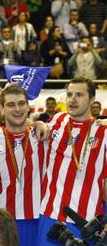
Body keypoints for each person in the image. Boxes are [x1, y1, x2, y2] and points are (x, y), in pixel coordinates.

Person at [37, 77, 107, 245]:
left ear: (92, 99)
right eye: (69, 94)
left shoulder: (103, 131)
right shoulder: (57, 120)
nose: (72, 99)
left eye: (79, 95)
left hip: (85, 222)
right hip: (49, 216)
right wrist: (37, 123)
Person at [0, 85, 45, 246]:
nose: (17, 109)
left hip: (34, 219)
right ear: (1, 109)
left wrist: (39, 123)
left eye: (21, 103)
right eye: (10, 105)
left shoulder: (43, 136)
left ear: (28, 106)